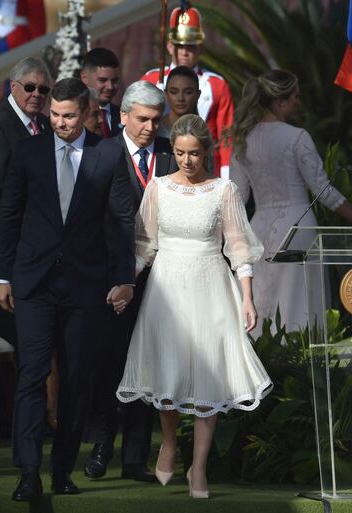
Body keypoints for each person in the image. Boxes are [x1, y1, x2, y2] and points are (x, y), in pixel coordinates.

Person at [116, 114, 272, 499]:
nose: (187, 161)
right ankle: (169, 443)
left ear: (207, 151)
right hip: (166, 289)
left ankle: (198, 468)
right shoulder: (157, 188)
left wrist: (248, 297)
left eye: (195, 153)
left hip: (210, 287)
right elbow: (143, 245)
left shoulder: (224, 191)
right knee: (167, 368)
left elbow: (239, 249)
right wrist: (125, 284)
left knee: (208, 376)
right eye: (181, 153)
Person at [0, 78, 136, 501]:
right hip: (34, 282)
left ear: (87, 111)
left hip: (85, 284)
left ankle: (62, 470)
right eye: (54, 115)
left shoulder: (107, 153)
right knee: (32, 375)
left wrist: (124, 277)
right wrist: (3, 275)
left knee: (77, 379)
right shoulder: (27, 151)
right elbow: (8, 213)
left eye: (68, 116)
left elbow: (122, 220)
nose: (59, 123)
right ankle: (28, 470)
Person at [227, 70, 352, 337]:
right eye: (295, 96)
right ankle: (303, 368)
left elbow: (237, 198)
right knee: (299, 303)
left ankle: (266, 362)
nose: (299, 102)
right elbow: (323, 191)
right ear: (279, 102)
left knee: (264, 300)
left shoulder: (242, 141)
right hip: (298, 228)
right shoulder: (297, 137)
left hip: (259, 229)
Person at [83, 80, 177, 483]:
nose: (149, 127)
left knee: (148, 364)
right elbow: (88, 219)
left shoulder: (171, 154)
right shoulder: (102, 152)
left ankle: (136, 457)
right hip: (112, 281)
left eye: (156, 120)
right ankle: (102, 447)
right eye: (141, 119)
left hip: (160, 282)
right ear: (123, 116)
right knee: (109, 366)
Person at [0, 57, 50, 348]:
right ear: (13, 86)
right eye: (30, 87)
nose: (37, 95)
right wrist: (4, 265)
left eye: (43, 90)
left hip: (39, 253)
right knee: (12, 343)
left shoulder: (43, 124)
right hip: (11, 255)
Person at [141, 5, 233, 176]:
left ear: (200, 48)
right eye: (179, 45)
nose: (184, 51)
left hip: (205, 164)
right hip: (160, 161)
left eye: (190, 46)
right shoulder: (151, 80)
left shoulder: (216, 84)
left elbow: (226, 136)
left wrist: (226, 176)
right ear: (169, 46)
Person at [80, 48, 122, 138]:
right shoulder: (74, 118)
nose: (110, 87)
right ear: (84, 78)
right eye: (102, 80)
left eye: (114, 81)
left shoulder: (125, 116)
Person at [159, 66, 200, 139]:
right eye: (174, 92)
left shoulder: (203, 133)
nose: (180, 98)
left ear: (198, 95)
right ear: (166, 94)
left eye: (188, 92)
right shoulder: (154, 129)